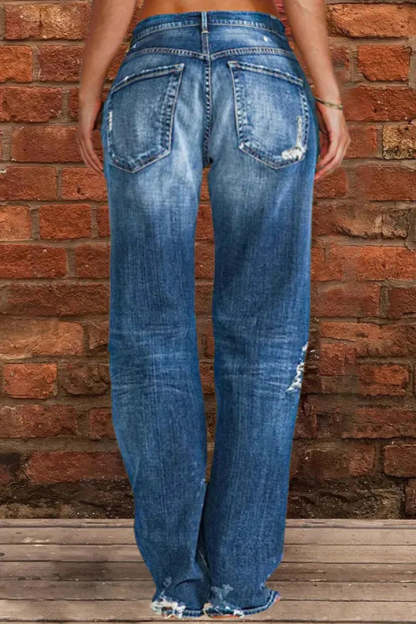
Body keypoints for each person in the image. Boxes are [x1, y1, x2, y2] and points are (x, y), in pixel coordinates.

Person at [78, 0, 350, 619]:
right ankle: (238, 582)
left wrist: (89, 88)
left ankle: (178, 581)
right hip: (263, 70)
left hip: (152, 69)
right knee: (265, 341)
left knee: (149, 337)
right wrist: (329, 98)